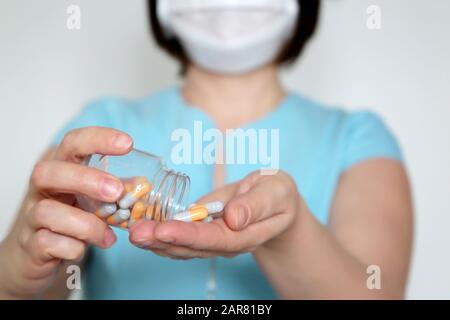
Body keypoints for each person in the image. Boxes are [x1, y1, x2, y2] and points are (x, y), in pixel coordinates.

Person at [0, 0, 413, 299]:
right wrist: (17, 282)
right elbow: (44, 282)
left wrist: (288, 235)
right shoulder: (97, 131)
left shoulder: (357, 138)